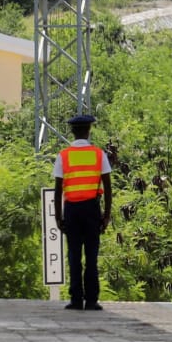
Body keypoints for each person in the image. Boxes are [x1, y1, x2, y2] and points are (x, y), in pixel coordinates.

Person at [52, 113, 113, 311]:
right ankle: (92, 300)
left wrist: (58, 217)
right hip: (92, 210)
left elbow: (58, 189)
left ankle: (76, 299)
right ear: (88, 131)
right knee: (92, 256)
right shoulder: (98, 154)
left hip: (71, 210)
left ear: (72, 132)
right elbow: (108, 186)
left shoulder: (64, 156)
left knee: (74, 256)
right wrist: (106, 215)